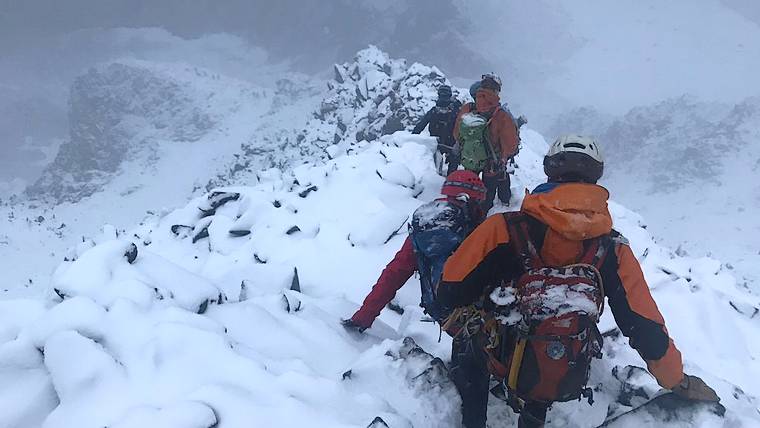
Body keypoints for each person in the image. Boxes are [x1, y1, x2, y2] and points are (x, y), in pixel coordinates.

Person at [436, 135, 719, 428]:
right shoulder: (612, 248)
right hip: (562, 359)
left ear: (549, 171)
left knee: (468, 344)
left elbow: (449, 290)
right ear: (596, 177)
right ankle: (534, 413)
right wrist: (676, 380)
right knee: (545, 357)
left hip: (496, 353)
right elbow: (643, 323)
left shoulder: (503, 228)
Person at [342, 170, 486, 331]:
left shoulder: (425, 225)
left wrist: (364, 316)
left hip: (439, 309)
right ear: (472, 199)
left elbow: (394, 273)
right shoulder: (472, 227)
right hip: (472, 311)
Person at [454, 74, 520, 212]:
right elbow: (511, 144)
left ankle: (469, 213)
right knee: (487, 193)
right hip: (492, 164)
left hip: (471, 159)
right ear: (497, 91)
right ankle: (482, 217)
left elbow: (457, 134)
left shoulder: (468, 108)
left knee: (472, 190)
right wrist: (504, 156)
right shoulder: (501, 114)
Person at [412, 85, 463, 176]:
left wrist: (412, 138)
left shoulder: (434, 111)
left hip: (436, 142)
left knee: (435, 166)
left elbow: (421, 125)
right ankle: (450, 180)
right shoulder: (456, 111)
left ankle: (436, 178)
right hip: (450, 143)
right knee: (453, 162)